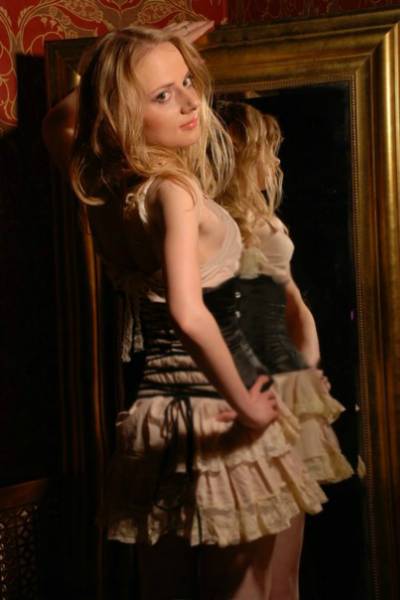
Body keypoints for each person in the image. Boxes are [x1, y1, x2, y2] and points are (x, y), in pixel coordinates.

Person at [43, 23, 328, 599]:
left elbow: (57, 123)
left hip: (159, 412)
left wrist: (131, 57)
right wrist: (247, 402)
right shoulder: (173, 188)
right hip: (219, 402)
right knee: (257, 589)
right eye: (161, 95)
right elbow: (188, 312)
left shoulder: (105, 192)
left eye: (187, 82)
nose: (190, 101)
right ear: (118, 113)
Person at [216, 100, 354, 600]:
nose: (275, 163)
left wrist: (306, 369)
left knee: (286, 567)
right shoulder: (212, 221)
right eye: (266, 150)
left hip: (286, 380)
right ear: (238, 151)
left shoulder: (265, 218)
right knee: (253, 564)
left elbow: (294, 302)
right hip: (248, 383)